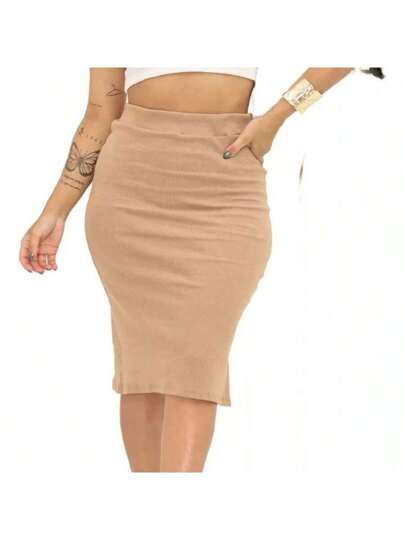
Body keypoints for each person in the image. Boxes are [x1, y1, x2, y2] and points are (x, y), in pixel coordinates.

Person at [19, 67, 354, 472]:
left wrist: (277, 116)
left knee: (196, 368)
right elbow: (100, 113)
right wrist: (54, 211)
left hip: (224, 187)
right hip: (130, 191)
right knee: (142, 372)